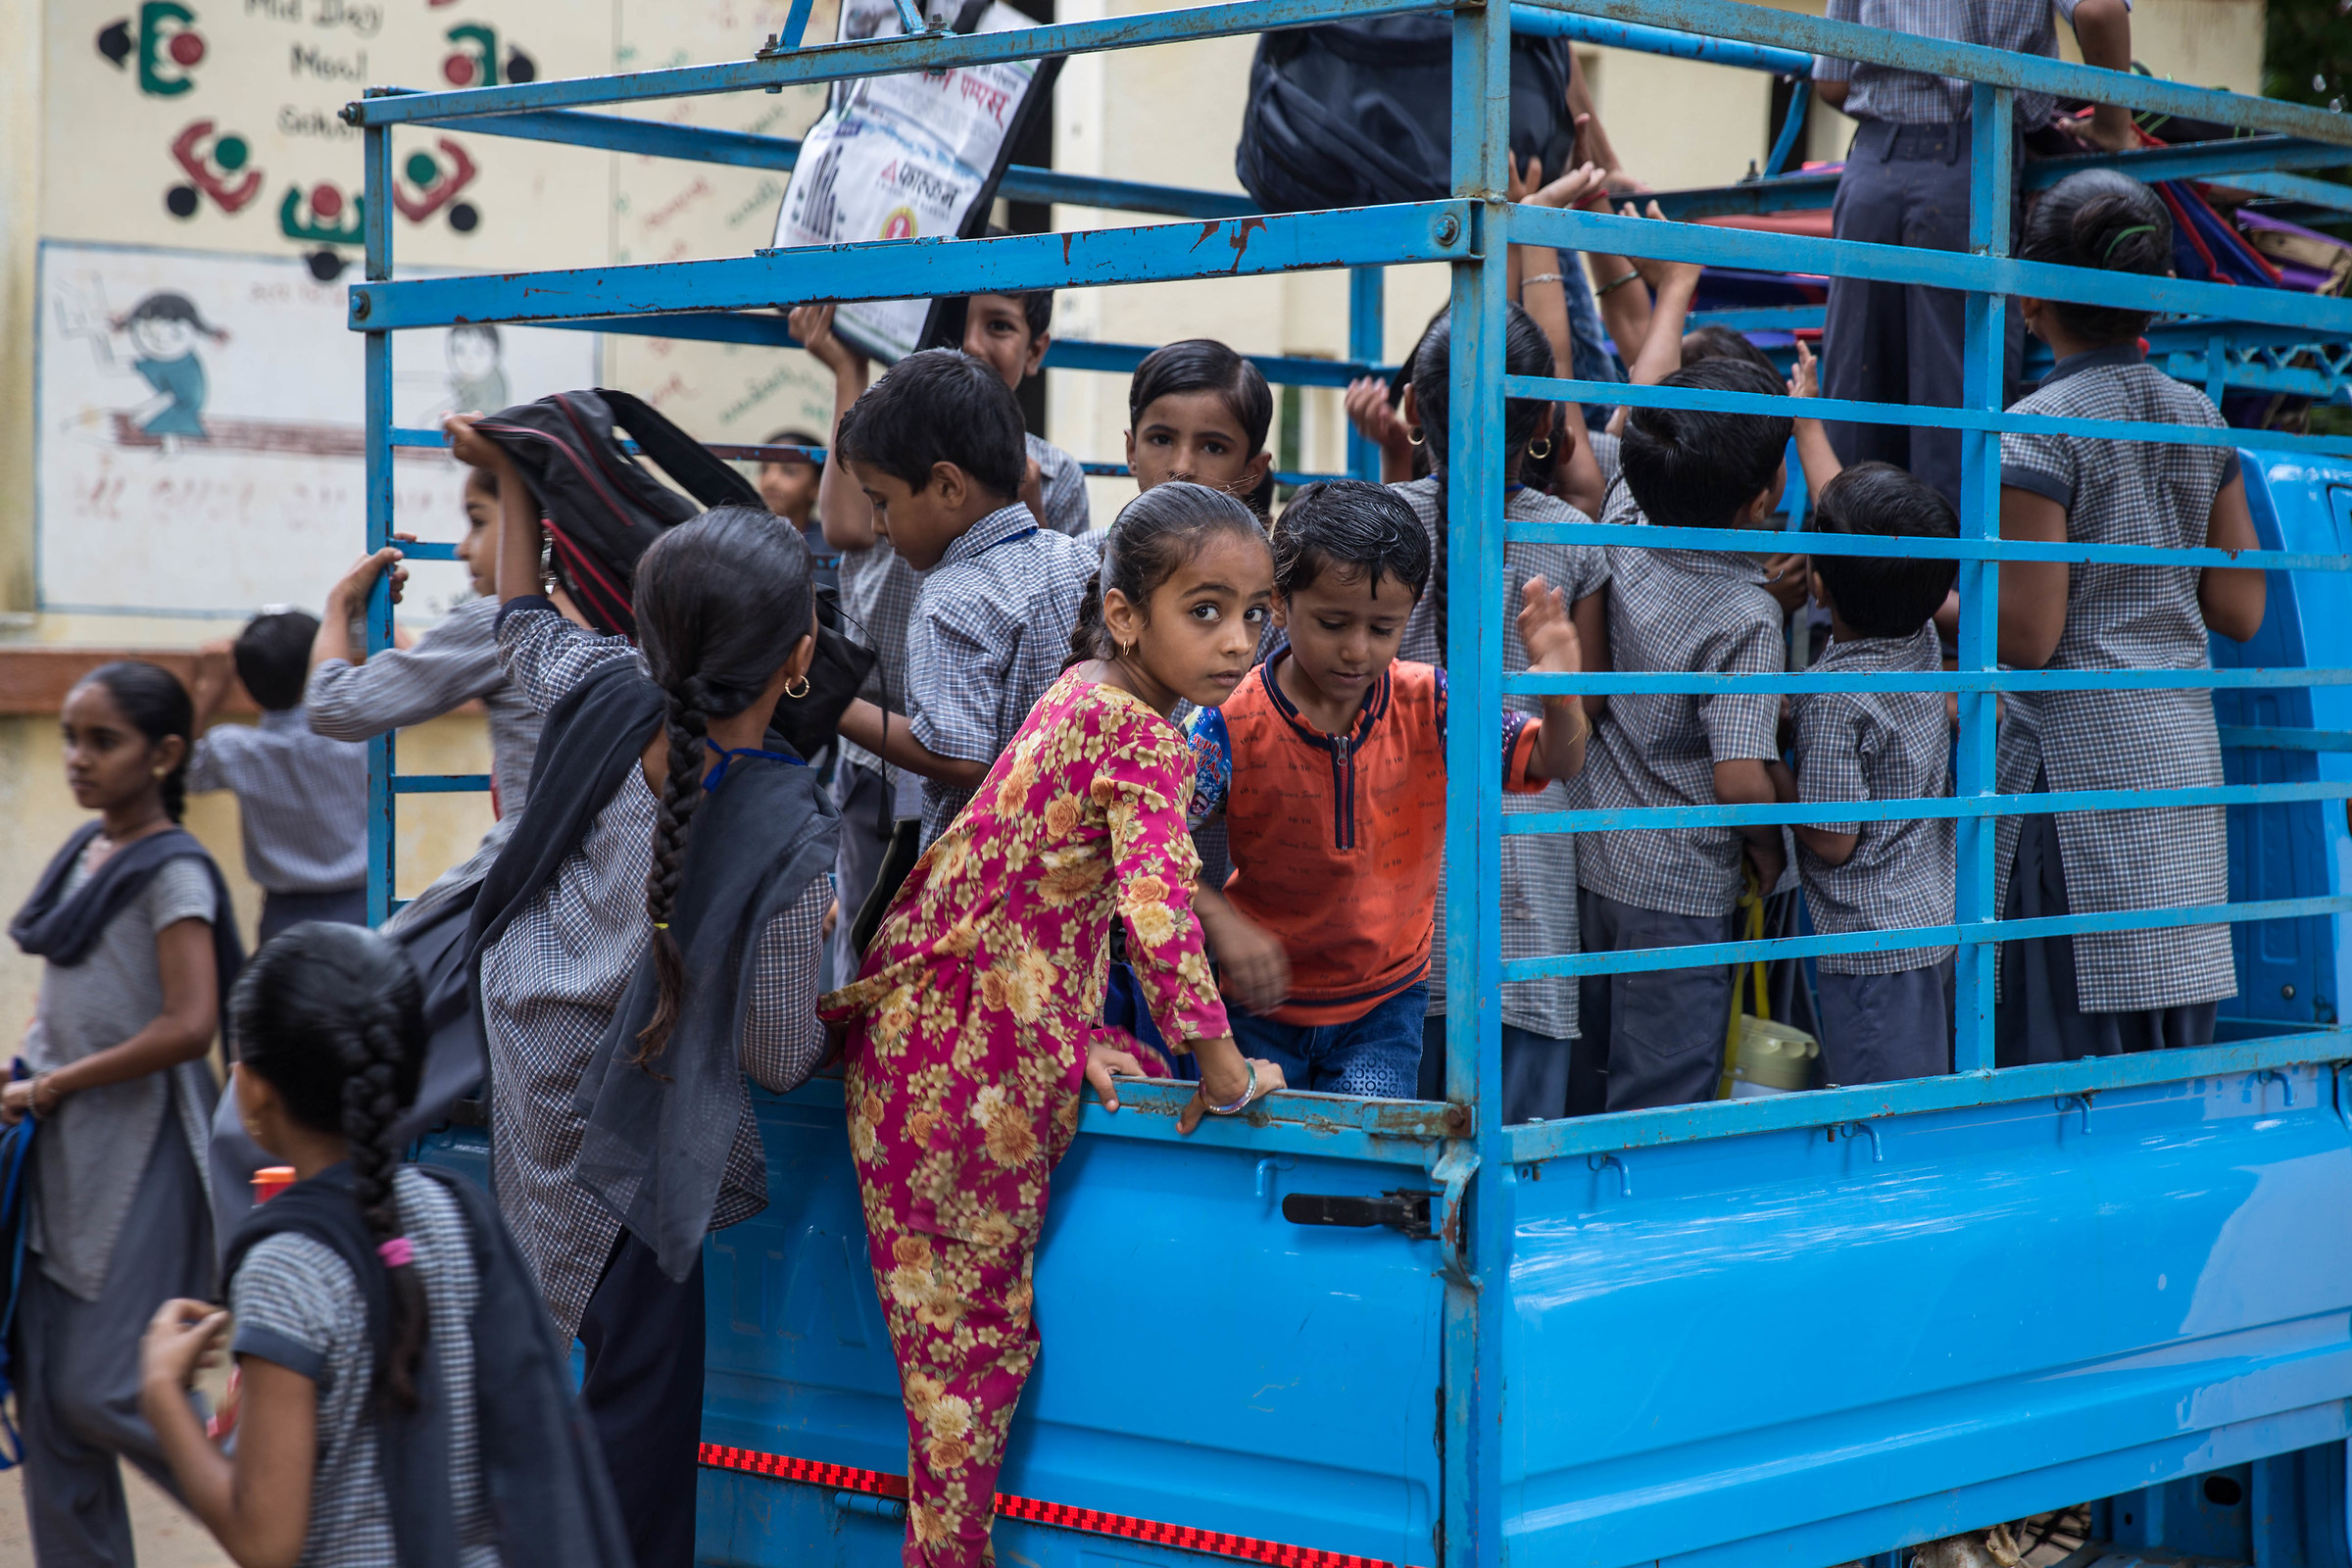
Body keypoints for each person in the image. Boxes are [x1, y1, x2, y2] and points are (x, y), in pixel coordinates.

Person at [818, 481, 1288, 1568]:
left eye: (1256, 612)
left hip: (927, 1038)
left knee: (960, 1350)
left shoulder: (1079, 693)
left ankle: (951, 1547)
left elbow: (1010, 886)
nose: (1237, 642)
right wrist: (1224, 1074)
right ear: (1125, 614)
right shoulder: (1140, 737)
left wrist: (1075, 1028)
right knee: (972, 1354)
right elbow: (1162, 924)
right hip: (968, 1075)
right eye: (1205, 610)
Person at [449, 410, 841, 1568]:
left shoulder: (605, 684)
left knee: (569, 1368)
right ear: (801, 654)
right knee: (643, 1413)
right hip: (635, 1129)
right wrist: (819, 944)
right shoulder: (782, 824)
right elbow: (779, 1055)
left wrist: (516, 476)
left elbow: (521, 625)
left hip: (530, 1062)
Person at [137, 923, 632, 1568]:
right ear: (414, 1073)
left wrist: (163, 1396)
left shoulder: (287, 1267)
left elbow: (264, 1540)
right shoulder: (456, 1211)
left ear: (252, 1090)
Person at [1187, 481, 1591, 1102]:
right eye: (1332, 622)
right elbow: (1143, 846)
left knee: (1364, 1181)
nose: (1356, 649)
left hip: (1384, 1010)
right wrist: (1218, 922)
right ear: (1279, 601)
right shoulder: (1226, 724)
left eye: (1383, 627)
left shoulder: (1434, 704)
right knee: (1262, 1170)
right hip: (1257, 1007)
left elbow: (1557, 759)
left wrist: (1564, 693)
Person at [1994, 170, 2265, 1060]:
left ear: (2034, 292)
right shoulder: (2201, 421)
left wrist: (1934, 601)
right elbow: (2239, 607)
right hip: (2181, 763)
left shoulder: (2035, 429)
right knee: (2167, 1044)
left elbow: (2028, 637)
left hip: (2079, 782)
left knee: (2070, 1059)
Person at [5, 660, 243, 1568]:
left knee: (107, 1387)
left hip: (140, 1148)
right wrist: (28, 1065)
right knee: (51, 1397)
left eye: (103, 741)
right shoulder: (84, 852)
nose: (78, 758)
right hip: (58, 1151)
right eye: (71, 738)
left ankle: (279, 1514)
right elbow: (70, 995)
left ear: (165, 754)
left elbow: (189, 1025)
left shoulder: (173, 869)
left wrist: (55, 1084)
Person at [1386, 308, 1611, 1118]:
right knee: (1515, 1153)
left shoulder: (1373, 525)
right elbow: (1584, 712)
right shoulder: (1576, 540)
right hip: (1527, 870)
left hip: (1395, 865)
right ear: (1545, 420)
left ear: (1416, 409)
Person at [1572, 359, 1793, 1111]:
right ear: (1763, 498)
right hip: (1678, 893)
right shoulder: (1745, 616)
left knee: (1584, 1078)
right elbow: (1737, 781)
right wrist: (1770, 840)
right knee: (1660, 1093)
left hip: (1590, 855)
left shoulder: (1625, 517)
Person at [1813, 0, 2135, 507]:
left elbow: (1832, 80)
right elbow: (2098, 12)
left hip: (1870, 172)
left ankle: (1847, 572)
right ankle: (1953, 582)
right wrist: (2114, 126)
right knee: (1956, 410)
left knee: (1856, 400)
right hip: (1970, 160)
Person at [829, 350, 1099, 848]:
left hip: (987, 876)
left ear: (948, 485)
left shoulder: (950, 595)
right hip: (1076, 857)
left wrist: (829, 703)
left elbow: (959, 758)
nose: (876, 526)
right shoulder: (1075, 558)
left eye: (882, 502)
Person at [1770, 463, 1958, 1084]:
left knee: (1883, 1112)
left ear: (1819, 587)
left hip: (1872, 946)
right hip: (1933, 918)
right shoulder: (1923, 635)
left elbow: (1833, 837)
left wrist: (1768, 769)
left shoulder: (1835, 697)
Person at [186, 609, 368, 942]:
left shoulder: (233, 749)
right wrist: (369, 619)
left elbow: (182, 770)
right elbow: (414, 681)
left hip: (282, 918)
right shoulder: (355, 735)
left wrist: (209, 686)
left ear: (243, 683)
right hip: (362, 907)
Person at [1124, 338, 1274, 514]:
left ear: (1251, 473)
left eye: (1213, 447)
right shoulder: (1093, 542)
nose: (1181, 468)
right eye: (1162, 440)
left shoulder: (1255, 542)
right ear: (1132, 451)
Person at [757, 427, 839, 597]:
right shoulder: (749, 539)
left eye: (789, 471)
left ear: (817, 485)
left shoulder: (831, 547)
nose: (771, 481)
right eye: (764, 469)